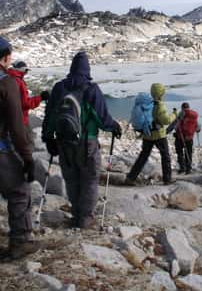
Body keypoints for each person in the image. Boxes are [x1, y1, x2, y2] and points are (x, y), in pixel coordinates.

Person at [42, 51, 122, 229]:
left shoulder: (59, 88)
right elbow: (102, 118)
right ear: (87, 69)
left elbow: (50, 116)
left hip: (64, 141)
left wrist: (48, 139)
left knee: (71, 179)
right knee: (90, 179)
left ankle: (76, 214)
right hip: (87, 142)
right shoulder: (91, 89)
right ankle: (85, 218)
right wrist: (114, 127)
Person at [0, 36, 40, 259]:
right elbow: (16, 125)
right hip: (2, 149)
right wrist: (27, 158)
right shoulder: (7, 83)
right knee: (19, 192)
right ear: (5, 58)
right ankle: (21, 242)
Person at [126, 83, 175, 185]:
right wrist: (174, 115)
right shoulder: (160, 105)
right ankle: (167, 179)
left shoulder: (148, 103)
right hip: (159, 135)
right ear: (161, 93)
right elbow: (165, 120)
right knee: (165, 156)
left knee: (143, 156)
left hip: (147, 134)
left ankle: (131, 177)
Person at [7, 60, 50, 147]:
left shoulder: (8, 79)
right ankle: (26, 160)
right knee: (28, 143)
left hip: (10, 118)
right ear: (21, 70)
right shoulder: (18, 82)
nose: (26, 73)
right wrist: (41, 97)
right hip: (20, 119)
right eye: (26, 70)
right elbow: (25, 104)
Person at [174, 102, 201, 174]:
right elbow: (198, 128)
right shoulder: (193, 115)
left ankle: (182, 168)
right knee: (188, 153)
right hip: (189, 138)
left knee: (180, 153)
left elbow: (176, 127)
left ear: (182, 107)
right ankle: (188, 168)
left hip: (180, 137)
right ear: (189, 107)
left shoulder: (181, 114)